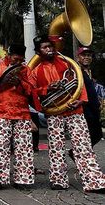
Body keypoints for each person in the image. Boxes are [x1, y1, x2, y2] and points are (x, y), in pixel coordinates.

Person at [30, 35, 105, 192]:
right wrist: (48, 89)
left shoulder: (67, 63)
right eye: (45, 47)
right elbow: (32, 92)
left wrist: (82, 100)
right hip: (54, 113)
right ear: (38, 51)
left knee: (83, 146)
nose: (49, 49)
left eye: (50, 46)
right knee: (56, 147)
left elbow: (79, 82)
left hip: (74, 109)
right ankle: (58, 180)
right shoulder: (36, 71)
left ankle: (94, 182)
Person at [0, 44, 34, 192]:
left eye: (20, 60)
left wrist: (19, 82)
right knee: (2, 148)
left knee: (23, 148)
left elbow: (31, 90)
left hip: (22, 112)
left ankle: (22, 180)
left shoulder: (26, 70)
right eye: (15, 59)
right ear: (9, 55)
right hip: (2, 112)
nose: (17, 62)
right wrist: (8, 81)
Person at [75, 46, 103, 149]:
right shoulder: (77, 70)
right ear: (78, 57)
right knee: (91, 134)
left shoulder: (89, 71)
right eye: (84, 55)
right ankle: (80, 154)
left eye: (89, 55)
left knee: (97, 134)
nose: (87, 57)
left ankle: (78, 153)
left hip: (93, 108)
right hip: (84, 108)